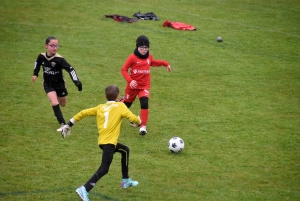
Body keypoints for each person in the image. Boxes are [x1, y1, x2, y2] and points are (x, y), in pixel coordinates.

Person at [61, 85, 141, 201]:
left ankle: (125, 180)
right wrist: (139, 122)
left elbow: (83, 113)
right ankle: (84, 189)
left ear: (105, 96)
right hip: (109, 143)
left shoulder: (100, 107)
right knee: (104, 169)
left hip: (104, 142)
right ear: (118, 96)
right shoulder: (120, 106)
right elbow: (134, 118)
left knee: (125, 150)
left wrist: (69, 124)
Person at [121, 35, 171, 135]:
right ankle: (115, 106)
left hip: (144, 87)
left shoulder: (149, 57)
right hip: (132, 87)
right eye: (141, 48)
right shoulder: (132, 58)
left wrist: (165, 64)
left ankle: (143, 126)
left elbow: (154, 62)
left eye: (146, 48)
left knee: (144, 103)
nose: (144, 50)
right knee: (126, 105)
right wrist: (130, 81)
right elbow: (124, 70)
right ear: (137, 47)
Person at [32, 36, 82, 132]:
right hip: (48, 84)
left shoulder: (59, 59)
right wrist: (35, 74)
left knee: (62, 103)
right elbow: (37, 63)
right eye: (52, 45)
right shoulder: (41, 56)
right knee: (54, 102)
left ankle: (57, 112)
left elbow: (70, 69)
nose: (55, 48)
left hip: (60, 85)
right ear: (46, 46)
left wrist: (77, 82)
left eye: (57, 46)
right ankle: (63, 125)